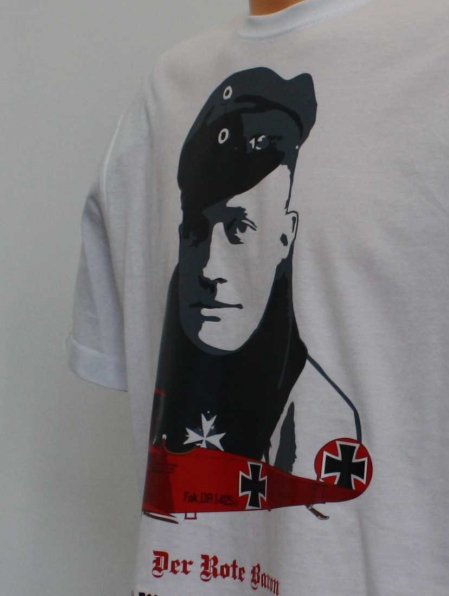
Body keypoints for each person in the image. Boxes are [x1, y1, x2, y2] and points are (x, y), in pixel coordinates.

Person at [142, 65, 372, 522]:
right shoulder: (156, 96)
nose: (209, 268)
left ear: (286, 237)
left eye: (239, 228)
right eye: (196, 230)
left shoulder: (317, 426)